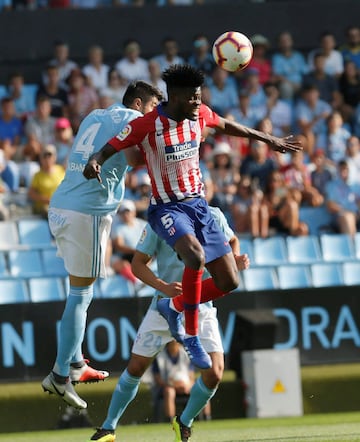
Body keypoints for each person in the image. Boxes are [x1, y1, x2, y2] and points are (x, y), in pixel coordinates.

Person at [83, 65, 301, 370]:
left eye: (200, 97)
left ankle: (173, 306)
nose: (199, 102)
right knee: (195, 257)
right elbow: (110, 147)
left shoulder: (199, 115)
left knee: (229, 281)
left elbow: (227, 125)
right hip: (166, 209)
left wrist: (268, 139)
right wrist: (95, 161)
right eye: (194, 98)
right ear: (177, 97)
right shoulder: (147, 125)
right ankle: (192, 335)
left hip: (199, 206)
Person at [41, 81, 163, 411]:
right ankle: (59, 374)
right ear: (138, 103)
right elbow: (133, 157)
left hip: (63, 205)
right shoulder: (128, 118)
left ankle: (77, 362)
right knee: (81, 294)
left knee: (82, 290)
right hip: (87, 212)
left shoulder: (96, 114)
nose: (155, 114)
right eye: (153, 107)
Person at [88, 206, 249, 442]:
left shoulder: (213, 215)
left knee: (215, 372)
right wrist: (163, 287)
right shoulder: (160, 220)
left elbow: (232, 240)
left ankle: (183, 422)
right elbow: (138, 264)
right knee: (136, 367)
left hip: (201, 306)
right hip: (164, 303)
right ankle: (108, 428)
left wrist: (233, 260)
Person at [28, 144, 65, 217]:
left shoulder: (61, 170)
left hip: (60, 206)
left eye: (49, 155)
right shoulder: (37, 175)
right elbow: (31, 194)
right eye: (45, 156)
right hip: (45, 207)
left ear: (54, 157)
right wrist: (46, 200)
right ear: (41, 158)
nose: (47, 158)